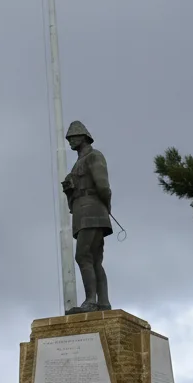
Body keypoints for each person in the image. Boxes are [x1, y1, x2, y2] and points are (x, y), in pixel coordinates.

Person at [60, 120, 113, 313]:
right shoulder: (78, 163)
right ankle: (103, 303)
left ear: (83, 137)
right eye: (69, 139)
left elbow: (103, 186)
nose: (70, 142)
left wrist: (106, 206)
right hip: (83, 212)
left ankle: (91, 301)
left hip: (91, 211)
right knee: (94, 259)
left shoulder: (94, 156)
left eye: (73, 138)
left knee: (83, 256)